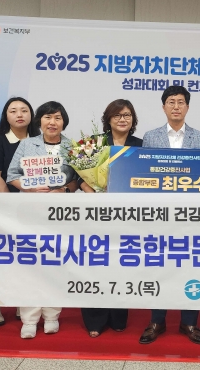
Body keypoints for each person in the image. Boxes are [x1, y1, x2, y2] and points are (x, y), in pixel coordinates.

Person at [139, 85, 200, 345]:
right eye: (171, 102)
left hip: (191, 214)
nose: (176, 106)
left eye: (181, 102)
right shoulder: (150, 137)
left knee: (191, 266)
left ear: (187, 107)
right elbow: (144, 174)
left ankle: (189, 322)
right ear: (163, 107)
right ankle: (157, 321)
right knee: (158, 266)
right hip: (159, 214)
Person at [7, 101, 79, 339]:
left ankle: (52, 315)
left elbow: (78, 179)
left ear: (63, 122)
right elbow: (12, 175)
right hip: (31, 212)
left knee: (55, 265)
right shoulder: (27, 144)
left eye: (57, 118)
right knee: (30, 265)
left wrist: (64, 190)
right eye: (48, 117)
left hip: (60, 215)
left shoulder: (73, 147)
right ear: (40, 121)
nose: (52, 122)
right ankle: (29, 319)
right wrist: (29, 187)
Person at [80, 99, 142, 337]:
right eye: (117, 115)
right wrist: (95, 195)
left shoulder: (140, 145)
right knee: (96, 263)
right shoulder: (94, 143)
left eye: (127, 115)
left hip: (127, 214)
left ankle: (118, 316)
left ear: (133, 119)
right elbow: (80, 178)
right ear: (108, 119)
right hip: (97, 213)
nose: (122, 119)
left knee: (120, 263)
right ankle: (95, 320)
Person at [0, 97, 38, 327]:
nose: (19, 114)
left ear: (31, 115)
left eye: (24, 110)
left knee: (25, 257)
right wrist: (9, 207)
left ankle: (20, 300)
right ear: (6, 116)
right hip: (1, 207)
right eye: (13, 111)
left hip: (31, 209)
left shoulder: (39, 141)